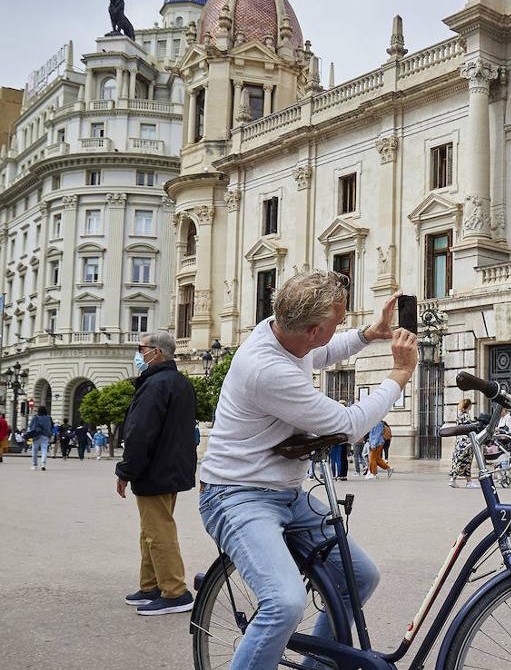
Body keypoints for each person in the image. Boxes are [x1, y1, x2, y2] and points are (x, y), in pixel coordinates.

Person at [198, 272, 416, 667]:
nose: (339, 329)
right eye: (336, 323)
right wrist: (399, 375)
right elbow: (349, 425)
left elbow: (320, 353)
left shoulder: (281, 333)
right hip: (237, 494)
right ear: (314, 329)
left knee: (360, 577)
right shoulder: (267, 369)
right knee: (284, 602)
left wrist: (370, 333)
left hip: (286, 493)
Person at [115, 330, 199, 615]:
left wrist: (126, 470)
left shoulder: (154, 386)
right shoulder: (181, 383)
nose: (139, 354)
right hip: (172, 466)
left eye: (142, 349)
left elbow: (140, 433)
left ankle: (175, 592)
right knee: (150, 529)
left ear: (157, 352)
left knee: (158, 531)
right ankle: (150, 585)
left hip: (155, 468)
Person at [448, 398, 477, 489]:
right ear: (468, 406)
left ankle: (468, 482)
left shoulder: (459, 415)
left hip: (459, 441)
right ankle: (454, 480)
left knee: (460, 460)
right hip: (466, 441)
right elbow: (468, 427)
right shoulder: (466, 416)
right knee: (465, 461)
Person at [27, 405, 53, 471]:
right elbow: (52, 426)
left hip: (36, 436)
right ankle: (43, 464)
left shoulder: (35, 417)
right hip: (45, 436)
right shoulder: (49, 418)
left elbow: (30, 427)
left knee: (34, 451)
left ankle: (34, 465)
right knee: (44, 450)